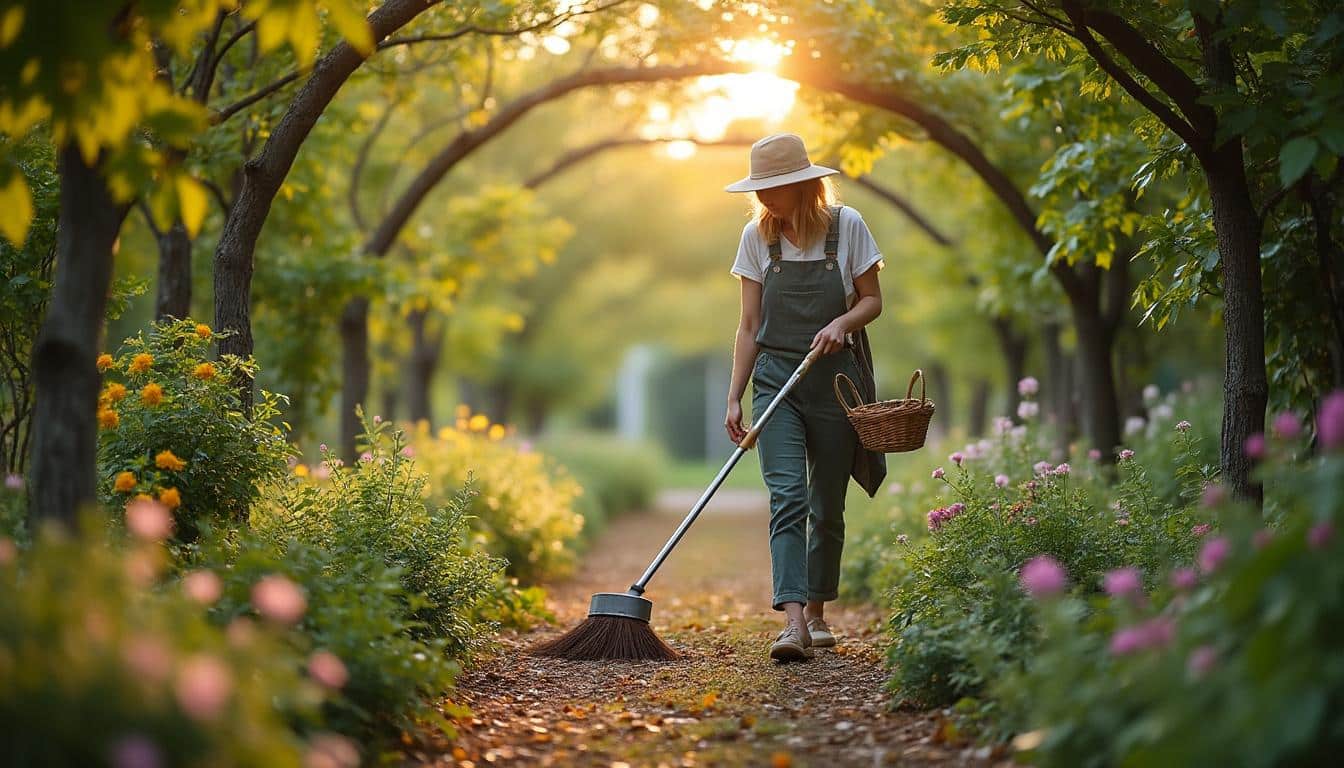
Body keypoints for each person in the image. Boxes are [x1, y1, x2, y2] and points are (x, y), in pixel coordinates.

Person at [723, 133, 886, 661]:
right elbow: (748, 326)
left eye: (777, 186)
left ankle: (818, 612)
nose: (767, 198)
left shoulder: (848, 227)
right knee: (788, 495)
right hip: (777, 381)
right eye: (761, 188)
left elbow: (872, 301)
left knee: (827, 503)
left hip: (836, 382)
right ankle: (792, 622)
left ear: (804, 185)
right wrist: (734, 397)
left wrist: (842, 321)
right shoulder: (755, 237)